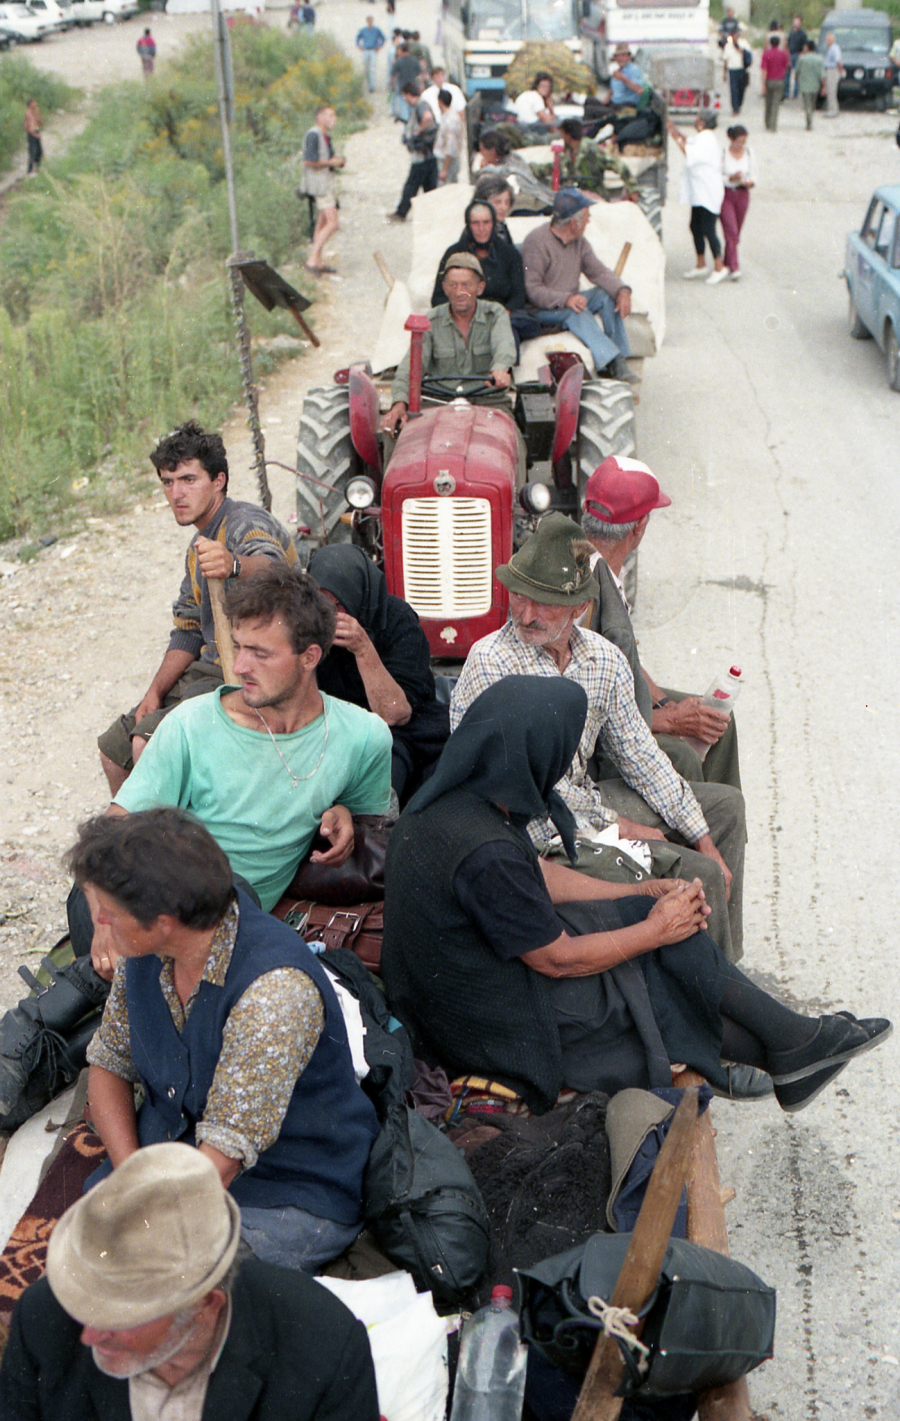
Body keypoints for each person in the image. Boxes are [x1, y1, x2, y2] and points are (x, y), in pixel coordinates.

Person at [0, 565, 391, 1132]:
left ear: (310, 656)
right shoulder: (193, 725)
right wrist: (107, 921)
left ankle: (56, 1043)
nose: (242, 665)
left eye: (262, 652)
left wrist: (345, 814)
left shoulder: (361, 737)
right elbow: (109, 834)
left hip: (231, 919)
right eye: (239, 647)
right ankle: (42, 1035)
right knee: (130, 979)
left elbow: (372, 815)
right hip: (142, 898)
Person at [383, 679, 891, 1113]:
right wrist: (654, 932)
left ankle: (792, 1045)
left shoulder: (455, 797)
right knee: (645, 974)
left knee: (649, 921)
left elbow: (534, 875)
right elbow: (556, 960)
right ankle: (791, 1045)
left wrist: (641, 891)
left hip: (472, 978)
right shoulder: (483, 847)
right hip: (488, 1024)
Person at [73, 810, 380, 1271]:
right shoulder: (149, 949)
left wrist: (146, 1224)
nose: (100, 923)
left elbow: (222, 1160)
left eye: (109, 914)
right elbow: (110, 1064)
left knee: (149, 1278)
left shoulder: (273, 992)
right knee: (95, 1247)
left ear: (165, 920)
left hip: (286, 1189)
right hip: (180, 1156)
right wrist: (131, 1175)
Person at [450, 513, 748, 965]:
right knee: (698, 869)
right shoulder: (491, 662)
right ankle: (718, 997)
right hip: (535, 829)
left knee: (724, 811)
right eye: (520, 598)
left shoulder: (602, 660)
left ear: (577, 608)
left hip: (585, 804)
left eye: (544, 603)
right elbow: (523, 791)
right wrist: (618, 826)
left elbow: (639, 754)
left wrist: (701, 835)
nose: (527, 615)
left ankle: (724, 965)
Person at [0, 1143, 381, 1420]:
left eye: (118, 1317)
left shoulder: (325, 1352)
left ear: (205, 1305)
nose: (88, 1335)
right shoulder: (45, 1316)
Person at [97, 422, 297, 797]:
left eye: (189, 480)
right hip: (206, 667)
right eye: (168, 482)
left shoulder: (243, 523)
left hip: (248, 667)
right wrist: (155, 692)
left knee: (149, 747)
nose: (177, 493)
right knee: (114, 751)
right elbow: (188, 630)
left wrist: (235, 564)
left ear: (219, 480)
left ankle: (177, 846)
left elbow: (277, 570)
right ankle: (133, 846)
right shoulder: (198, 546)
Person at [581, 456, 742, 791]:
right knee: (681, 755)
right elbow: (585, 703)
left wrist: (668, 705)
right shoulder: (587, 591)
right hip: (598, 736)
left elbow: (629, 665)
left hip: (626, 706)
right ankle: (696, 833)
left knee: (717, 721)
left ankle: (720, 827)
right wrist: (666, 721)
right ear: (639, 527)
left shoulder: (606, 568)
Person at [308, 544, 450, 802]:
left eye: (338, 605)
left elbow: (395, 713)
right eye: (320, 605)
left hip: (400, 730)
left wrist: (363, 648)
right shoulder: (309, 620)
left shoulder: (396, 620)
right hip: (335, 727)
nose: (331, 616)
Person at [382, 252, 516, 435]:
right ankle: (388, 465)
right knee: (398, 434)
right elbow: (410, 367)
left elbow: (504, 345)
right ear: (445, 288)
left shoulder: (495, 314)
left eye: (466, 285)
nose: (459, 292)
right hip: (438, 401)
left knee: (511, 442)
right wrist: (399, 404)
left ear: (480, 287)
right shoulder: (430, 320)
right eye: (453, 285)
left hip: (487, 401)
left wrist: (500, 369)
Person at [521, 187, 636, 383]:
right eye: (587, 217)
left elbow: (598, 271)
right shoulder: (536, 242)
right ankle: (611, 359)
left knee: (606, 294)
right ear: (574, 223)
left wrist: (622, 290)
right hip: (543, 309)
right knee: (577, 312)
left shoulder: (579, 242)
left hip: (569, 302)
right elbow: (532, 289)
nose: (589, 221)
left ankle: (619, 359)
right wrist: (565, 299)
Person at [431, 200, 541, 357]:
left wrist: (502, 313)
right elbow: (438, 297)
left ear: (494, 223)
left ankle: (503, 375)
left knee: (508, 335)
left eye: (486, 222)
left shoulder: (509, 254)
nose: (481, 229)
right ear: (468, 225)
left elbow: (518, 295)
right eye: (475, 223)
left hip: (499, 315)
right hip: (463, 314)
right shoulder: (454, 254)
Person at [667, 112, 726, 284]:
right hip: (699, 191)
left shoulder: (707, 138)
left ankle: (719, 266)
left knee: (708, 229)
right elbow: (689, 141)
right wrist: (675, 131)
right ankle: (701, 264)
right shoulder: (702, 137)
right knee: (695, 226)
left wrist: (675, 137)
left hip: (708, 190)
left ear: (702, 122)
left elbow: (688, 151)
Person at [298, 104, 345, 276]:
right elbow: (308, 161)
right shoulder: (313, 135)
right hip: (320, 186)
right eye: (330, 116)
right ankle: (311, 260)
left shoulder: (324, 136)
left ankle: (317, 261)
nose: (334, 119)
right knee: (333, 223)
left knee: (322, 223)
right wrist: (331, 163)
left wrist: (337, 161)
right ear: (320, 117)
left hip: (325, 184)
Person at [386, 81, 437, 222]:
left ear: (409, 95)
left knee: (411, 185)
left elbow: (427, 117)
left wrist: (417, 132)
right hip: (429, 154)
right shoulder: (422, 104)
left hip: (422, 155)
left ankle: (401, 212)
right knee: (430, 187)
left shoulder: (421, 106)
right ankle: (433, 214)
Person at [475, 127, 554, 214]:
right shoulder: (514, 157)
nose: (481, 154)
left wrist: (484, 169)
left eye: (483, 150)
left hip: (531, 202)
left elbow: (504, 171)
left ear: (492, 151)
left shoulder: (509, 164)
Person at [721, 124, 756, 279]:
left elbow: (754, 174)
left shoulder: (749, 153)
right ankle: (735, 267)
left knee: (737, 232)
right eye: (738, 141)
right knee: (731, 230)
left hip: (743, 194)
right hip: (726, 194)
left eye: (743, 141)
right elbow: (718, 175)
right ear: (731, 139)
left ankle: (727, 261)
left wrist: (750, 182)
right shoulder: (723, 153)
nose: (741, 145)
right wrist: (731, 178)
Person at [760, 35, 790, 131]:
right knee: (775, 104)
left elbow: (764, 69)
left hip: (769, 80)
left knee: (768, 103)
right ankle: (773, 125)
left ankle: (767, 123)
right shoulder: (783, 54)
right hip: (779, 80)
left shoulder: (766, 53)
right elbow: (786, 67)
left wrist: (763, 84)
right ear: (778, 43)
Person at [434, 89, 465, 184]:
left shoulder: (450, 120)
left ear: (440, 101)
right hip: (451, 161)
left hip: (448, 162)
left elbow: (450, 147)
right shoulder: (452, 116)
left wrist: (444, 169)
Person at [796, 40, 826, 130]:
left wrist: (796, 78)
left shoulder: (802, 59)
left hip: (805, 85)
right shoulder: (819, 59)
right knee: (812, 104)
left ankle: (808, 121)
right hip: (815, 85)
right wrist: (824, 86)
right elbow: (822, 75)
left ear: (807, 48)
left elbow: (798, 71)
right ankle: (810, 119)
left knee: (807, 104)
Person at [356, 15, 385, 94]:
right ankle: (369, 83)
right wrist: (359, 45)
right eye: (369, 20)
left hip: (373, 50)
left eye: (371, 20)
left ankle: (371, 86)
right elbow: (358, 38)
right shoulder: (363, 30)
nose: (370, 22)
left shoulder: (376, 30)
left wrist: (380, 45)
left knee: (372, 68)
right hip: (366, 50)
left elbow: (383, 38)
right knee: (366, 68)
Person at [722, 30, 749, 116]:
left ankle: (739, 104)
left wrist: (741, 50)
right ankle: (735, 108)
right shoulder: (728, 46)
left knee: (741, 89)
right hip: (732, 70)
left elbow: (748, 54)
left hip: (741, 69)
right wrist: (724, 73)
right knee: (734, 90)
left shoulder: (743, 43)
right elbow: (725, 60)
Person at [822, 30, 844, 117]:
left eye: (827, 39)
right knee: (829, 90)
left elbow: (838, 61)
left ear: (831, 40)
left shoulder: (835, 48)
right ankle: (832, 108)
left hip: (832, 70)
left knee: (831, 91)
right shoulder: (830, 48)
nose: (826, 41)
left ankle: (833, 110)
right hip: (828, 70)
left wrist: (841, 70)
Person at [785, 15, 808, 97]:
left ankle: (795, 94)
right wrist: (787, 55)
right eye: (794, 22)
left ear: (801, 23)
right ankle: (786, 93)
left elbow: (805, 46)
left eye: (797, 22)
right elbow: (787, 44)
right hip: (790, 55)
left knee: (797, 76)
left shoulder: (803, 34)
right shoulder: (791, 32)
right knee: (787, 75)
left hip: (798, 55)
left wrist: (801, 55)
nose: (796, 24)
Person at [24, 98, 42, 176]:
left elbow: (40, 123)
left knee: (39, 152)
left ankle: (37, 169)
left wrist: (38, 114)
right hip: (32, 134)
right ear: (30, 104)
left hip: (36, 132)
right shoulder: (28, 114)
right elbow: (27, 127)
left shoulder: (34, 113)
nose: (35, 104)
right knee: (32, 152)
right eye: (34, 102)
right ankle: (30, 171)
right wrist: (35, 134)